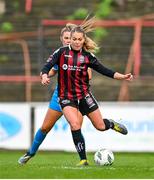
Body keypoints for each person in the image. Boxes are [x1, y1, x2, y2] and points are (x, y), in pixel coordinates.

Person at [40, 17, 133, 165]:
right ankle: (83, 159)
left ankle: (111, 124)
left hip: (84, 96)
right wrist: (44, 75)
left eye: (79, 39)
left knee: (100, 126)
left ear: (83, 40)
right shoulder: (61, 52)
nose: (76, 42)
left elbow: (104, 71)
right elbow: (47, 66)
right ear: (70, 39)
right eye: (74, 39)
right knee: (75, 124)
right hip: (66, 97)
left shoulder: (88, 57)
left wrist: (122, 76)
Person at [18, 23, 92, 166]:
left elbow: (89, 74)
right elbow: (51, 70)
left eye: (70, 38)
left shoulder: (83, 55)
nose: (68, 41)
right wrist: (45, 75)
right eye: (66, 38)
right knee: (45, 127)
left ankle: (83, 159)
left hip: (77, 96)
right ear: (62, 39)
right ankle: (30, 153)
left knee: (76, 126)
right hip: (60, 95)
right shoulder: (61, 54)